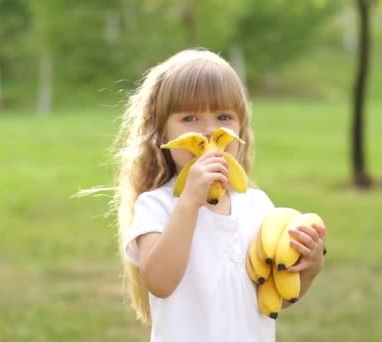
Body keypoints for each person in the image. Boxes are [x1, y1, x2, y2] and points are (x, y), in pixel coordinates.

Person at [110, 48, 327, 341]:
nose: (210, 130)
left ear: (241, 132)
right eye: (190, 118)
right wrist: (188, 202)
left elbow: (273, 300)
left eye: (224, 116)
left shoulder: (259, 207)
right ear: (162, 135)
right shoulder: (156, 205)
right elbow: (160, 282)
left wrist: (307, 271)